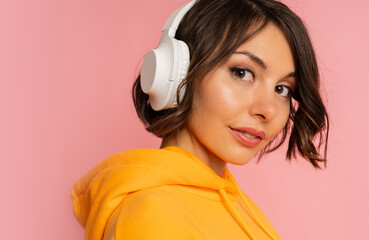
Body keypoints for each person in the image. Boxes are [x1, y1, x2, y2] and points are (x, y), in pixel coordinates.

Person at [71, 0, 329, 239]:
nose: (269, 110)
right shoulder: (153, 215)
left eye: (282, 89)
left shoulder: (236, 204)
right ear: (178, 71)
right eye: (242, 72)